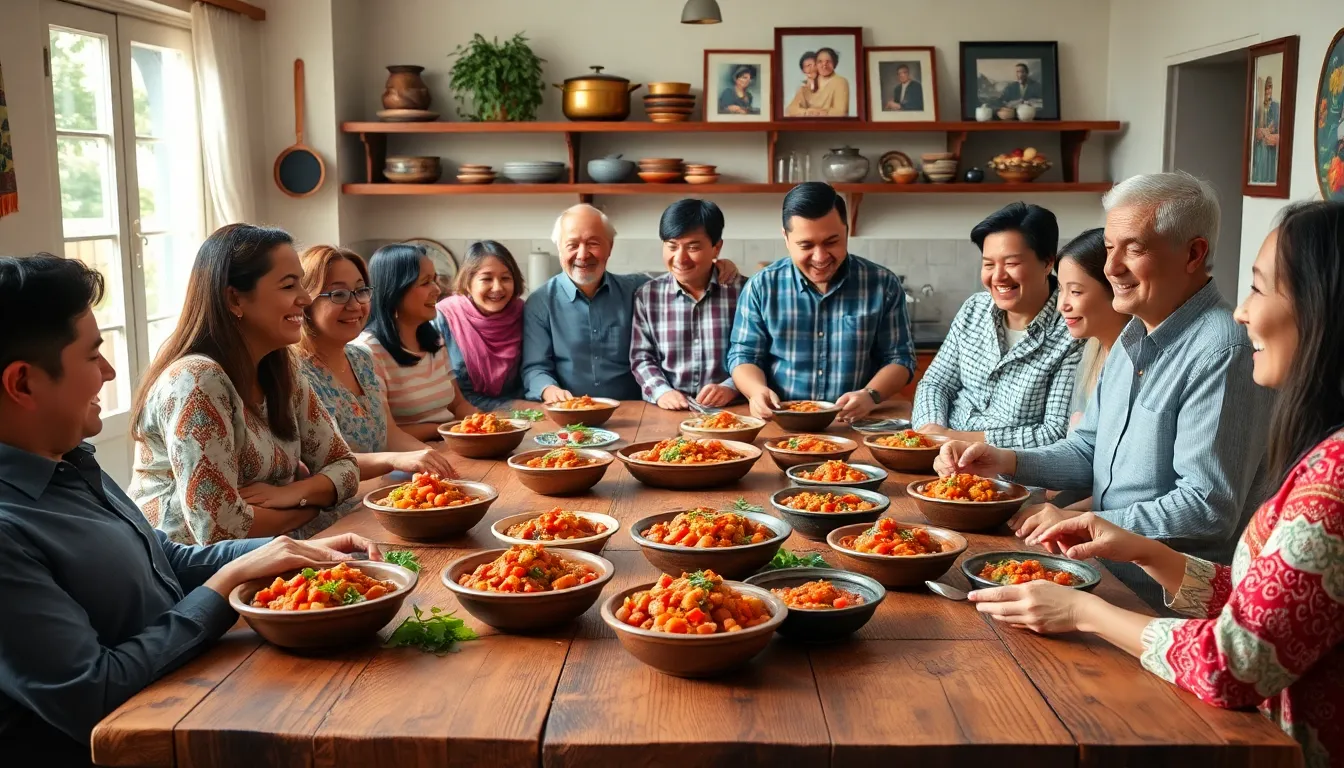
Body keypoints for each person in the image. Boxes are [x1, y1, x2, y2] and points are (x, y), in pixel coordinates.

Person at [964, 201, 1344, 768]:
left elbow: (1234, 660)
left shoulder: (1328, 473)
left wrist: (1082, 612)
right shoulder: (1132, 340)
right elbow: (1255, 599)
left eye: (1260, 290)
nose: (1243, 311)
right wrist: (1141, 548)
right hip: (1142, 608)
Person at [0, 253, 381, 764]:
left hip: (198, 689)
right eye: (93, 357)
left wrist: (281, 551)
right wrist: (222, 590)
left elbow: (160, 557)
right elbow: (93, 693)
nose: (110, 373)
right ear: (22, 383)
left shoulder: (70, 460)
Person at [934, 172, 1275, 606]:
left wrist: (1089, 521)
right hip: (1095, 576)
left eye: (1134, 248)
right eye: (1111, 247)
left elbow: (1206, 508)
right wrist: (1005, 460)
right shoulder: (1133, 335)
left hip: (1159, 603)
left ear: (1194, 253)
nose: (1112, 266)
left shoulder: (1222, 350)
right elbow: (1087, 449)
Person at [130, 224, 361, 545]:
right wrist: (310, 509)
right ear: (234, 299)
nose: (306, 299)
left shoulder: (284, 370)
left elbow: (346, 467)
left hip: (274, 554)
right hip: (191, 577)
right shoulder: (196, 379)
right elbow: (219, 531)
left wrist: (297, 492)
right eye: (288, 286)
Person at [729, 182, 916, 422]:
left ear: (846, 231)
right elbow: (743, 355)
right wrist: (755, 392)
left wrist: (870, 395)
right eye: (806, 245)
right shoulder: (761, 286)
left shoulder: (882, 284)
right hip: (782, 422)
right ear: (786, 238)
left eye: (831, 242)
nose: (820, 257)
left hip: (855, 422)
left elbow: (900, 358)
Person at [521, 203, 740, 403]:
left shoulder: (636, 289)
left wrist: (719, 264)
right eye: (572, 245)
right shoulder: (540, 303)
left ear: (610, 247)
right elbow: (535, 367)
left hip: (632, 411)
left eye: (593, 243)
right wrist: (549, 390)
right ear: (559, 247)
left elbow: (682, 278)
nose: (582, 254)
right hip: (569, 410)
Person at [913, 203, 1082, 448]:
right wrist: (930, 431)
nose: (998, 276)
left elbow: (1053, 432)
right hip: (940, 454)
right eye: (989, 264)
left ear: (1047, 263)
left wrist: (956, 439)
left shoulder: (1071, 330)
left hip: (1009, 469)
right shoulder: (974, 309)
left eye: (1011, 264)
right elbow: (936, 382)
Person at [297, 245, 458, 487]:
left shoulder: (361, 358)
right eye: (338, 294)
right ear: (304, 301)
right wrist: (393, 460)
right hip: (334, 511)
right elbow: (321, 464)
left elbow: (389, 434)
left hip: (379, 494)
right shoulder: (295, 372)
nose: (355, 305)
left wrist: (432, 460)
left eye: (361, 291)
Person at [355, 243, 477, 441]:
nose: (437, 289)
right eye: (425, 282)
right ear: (395, 290)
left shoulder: (434, 340)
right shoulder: (367, 351)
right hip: (408, 459)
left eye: (435, 280)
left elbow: (458, 405)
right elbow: (385, 434)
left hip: (448, 444)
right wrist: (450, 428)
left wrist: (487, 423)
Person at [631, 199, 745, 410]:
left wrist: (732, 386)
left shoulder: (743, 292)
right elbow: (642, 357)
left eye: (693, 247)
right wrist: (662, 392)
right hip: (667, 411)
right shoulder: (648, 295)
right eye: (672, 246)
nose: (680, 258)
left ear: (716, 248)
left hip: (731, 411)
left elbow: (756, 353)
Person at [433, 240, 527, 411]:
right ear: (468, 282)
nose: (497, 288)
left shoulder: (525, 313)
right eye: (486, 279)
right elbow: (440, 389)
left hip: (525, 416)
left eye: (505, 278)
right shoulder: (444, 316)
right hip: (462, 418)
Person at [1056, 228, 1130, 430]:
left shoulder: (1136, 362)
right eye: (1061, 290)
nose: (1062, 305)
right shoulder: (1091, 350)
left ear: (1116, 288)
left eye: (1076, 291)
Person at [1251, 75, 1280, 184]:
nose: (1268, 90)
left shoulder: (1276, 106)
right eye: (1266, 88)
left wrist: (1267, 131)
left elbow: (1275, 125)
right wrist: (1260, 132)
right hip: (1260, 148)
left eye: (1270, 87)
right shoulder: (1258, 108)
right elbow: (1255, 129)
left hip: (1270, 148)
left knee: (1269, 171)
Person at [784, 51, 819, 116]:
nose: (810, 69)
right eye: (806, 66)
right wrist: (808, 112)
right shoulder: (803, 89)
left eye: (812, 65)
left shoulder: (833, 84)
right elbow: (791, 110)